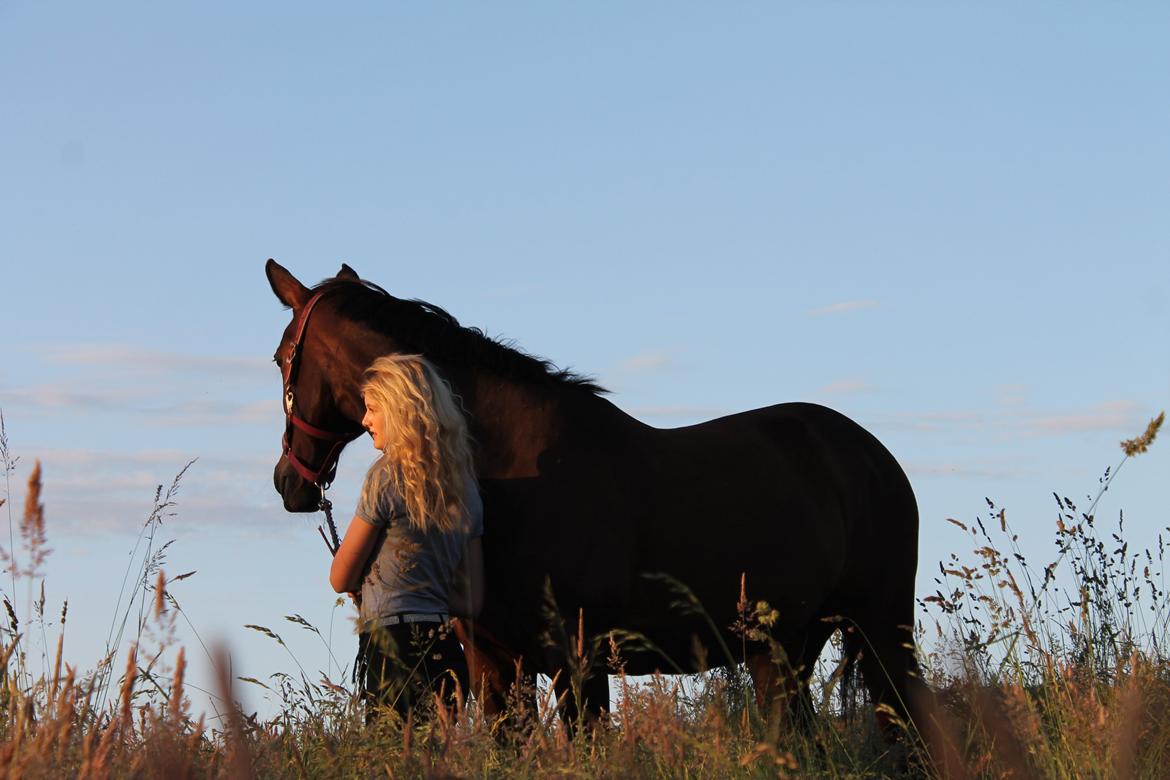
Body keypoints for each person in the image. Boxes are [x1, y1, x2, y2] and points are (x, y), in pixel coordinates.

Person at [329, 354, 484, 722]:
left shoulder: (384, 478)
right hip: (445, 652)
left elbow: (340, 578)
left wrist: (369, 588)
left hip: (392, 651)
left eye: (371, 408)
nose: (364, 420)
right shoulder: (468, 489)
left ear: (399, 409)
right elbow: (472, 600)